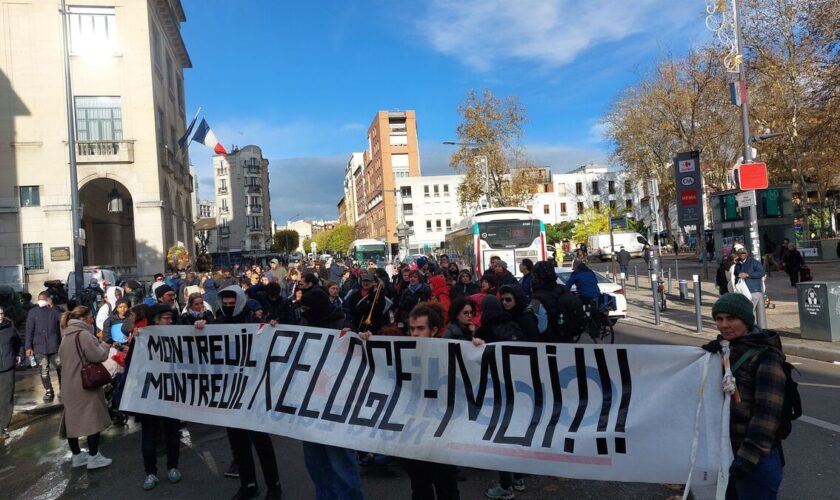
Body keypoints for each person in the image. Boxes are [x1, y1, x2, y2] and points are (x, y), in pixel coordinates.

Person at [702, 293, 787, 499]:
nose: (724, 325)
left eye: (731, 318)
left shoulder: (766, 357)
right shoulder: (723, 352)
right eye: (719, 319)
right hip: (725, 453)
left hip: (755, 458)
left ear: (747, 321)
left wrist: (747, 458)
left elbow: (767, 416)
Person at [215, 286, 283, 500]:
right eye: (224, 304)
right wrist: (199, 327)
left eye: (231, 304)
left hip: (253, 392)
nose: (228, 307)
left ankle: (274, 485)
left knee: (261, 443)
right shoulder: (216, 324)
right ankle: (248, 484)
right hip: (230, 393)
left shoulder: (255, 323)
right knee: (238, 444)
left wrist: (273, 329)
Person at [297, 288, 364, 500]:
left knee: (342, 466)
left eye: (306, 310)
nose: (303, 313)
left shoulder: (342, 327)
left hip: (337, 408)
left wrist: (363, 340)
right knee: (317, 467)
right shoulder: (306, 324)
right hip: (310, 407)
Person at [393, 303, 460, 500]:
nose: (414, 333)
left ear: (434, 330)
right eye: (412, 329)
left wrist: (477, 349)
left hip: (442, 433)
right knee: (420, 487)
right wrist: (363, 341)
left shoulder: (451, 353)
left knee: (446, 486)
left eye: (420, 329)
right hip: (413, 433)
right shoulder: (401, 352)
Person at [57, 306, 112, 470]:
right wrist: (105, 346)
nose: (92, 320)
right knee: (92, 420)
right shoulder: (84, 334)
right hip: (84, 384)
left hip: (68, 384)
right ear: (83, 319)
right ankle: (94, 457)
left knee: (71, 421)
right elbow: (98, 355)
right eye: (90, 317)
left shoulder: (66, 335)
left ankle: (77, 456)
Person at [136, 305, 183, 490]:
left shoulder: (178, 337)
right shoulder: (142, 338)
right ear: (155, 319)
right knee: (149, 437)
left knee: (172, 434)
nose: (170, 322)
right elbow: (133, 365)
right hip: (149, 396)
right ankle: (150, 472)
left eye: (171, 318)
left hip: (171, 393)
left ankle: (173, 467)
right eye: (165, 318)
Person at [25, 291, 63, 402]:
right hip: (39, 347)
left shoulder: (54, 311)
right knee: (43, 370)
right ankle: (49, 391)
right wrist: (28, 347)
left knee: (60, 368)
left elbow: (62, 318)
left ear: (48, 300)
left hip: (54, 346)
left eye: (43, 299)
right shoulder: (33, 312)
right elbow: (29, 331)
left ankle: (63, 389)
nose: (40, 301)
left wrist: (53, 307)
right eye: (39, 298)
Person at [0, 306, 21, 438]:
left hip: (7, 368)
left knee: (6, 398)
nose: (0, 316)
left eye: (1, 313)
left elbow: (18, 343)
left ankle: (2, 426)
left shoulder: (10, 330)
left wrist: (18, 355)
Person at [733, 247, 766, 312]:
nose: (742, 255)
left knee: (748, 311)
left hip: (753, 290)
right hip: (742, 290)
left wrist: (748, 275)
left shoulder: (754, 262)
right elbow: (735, 273)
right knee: (743, 311)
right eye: (741, 254)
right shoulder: (738, 264)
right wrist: (739, 275)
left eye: (744, 253)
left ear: (747, 254)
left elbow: (762, 273)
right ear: (738, 255)